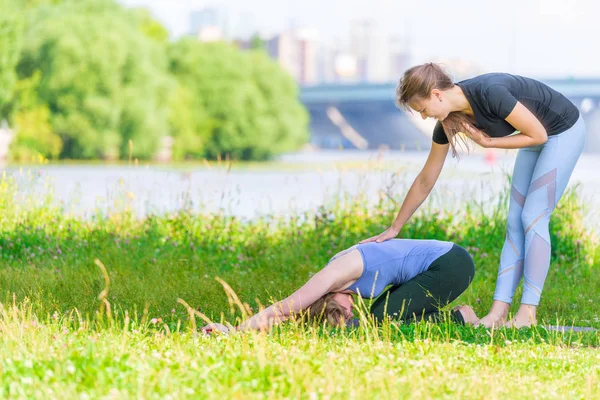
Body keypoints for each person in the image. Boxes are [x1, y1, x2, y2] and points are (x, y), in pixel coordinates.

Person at [361, 63, 586, 328]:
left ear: (436, 94)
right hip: (534, 136)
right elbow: (426, 179)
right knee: (514, 221)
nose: (423, 117)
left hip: (562, 131)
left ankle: (527, 314)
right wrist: (394, 227)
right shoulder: (447, 123)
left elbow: (538, 134)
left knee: (533, 217)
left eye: (422, 109)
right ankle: (498, 313)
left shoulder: (490, 93)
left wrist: (489, 143)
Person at [202, 239, 477, 334]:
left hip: (452, 264)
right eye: (347, 315)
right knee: (379, 315)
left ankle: (462, 318)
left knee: (379, 319)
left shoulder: (331, 276)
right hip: (442, 263)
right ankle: (456, 319)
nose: (350, 311)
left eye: (343, 313)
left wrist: (235, 331)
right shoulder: (342, 280)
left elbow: (283, 310)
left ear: (328, 297)